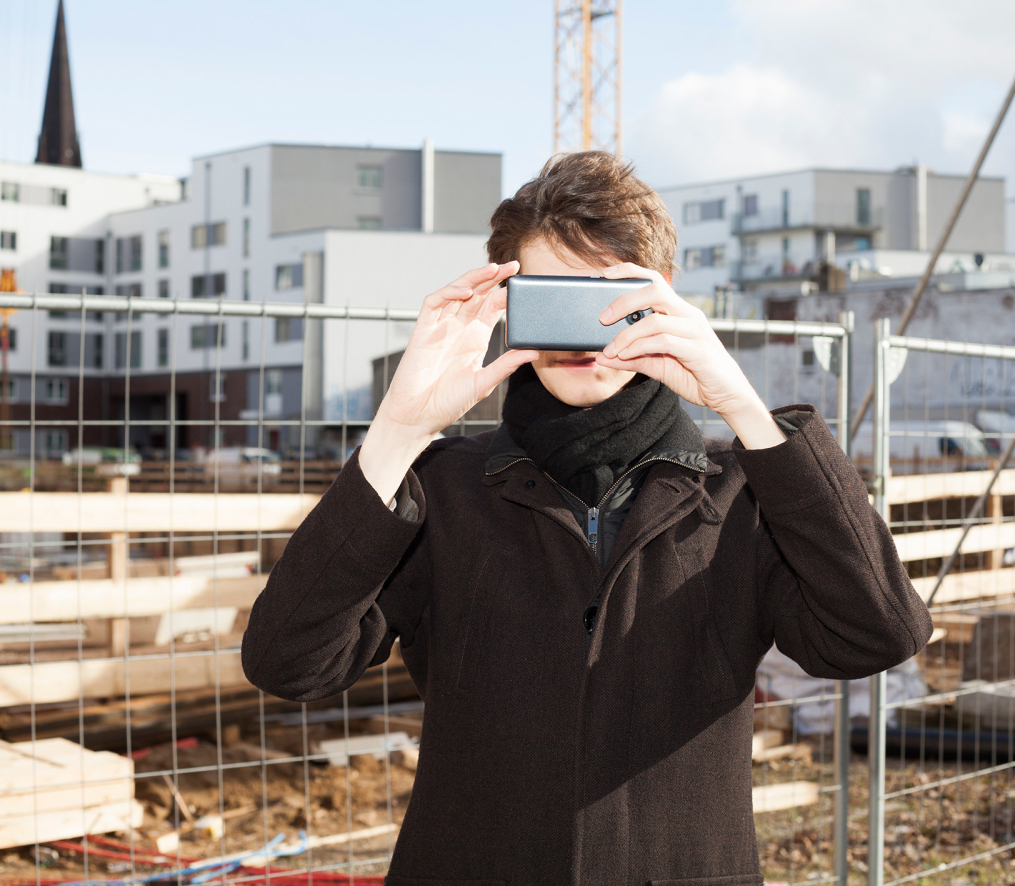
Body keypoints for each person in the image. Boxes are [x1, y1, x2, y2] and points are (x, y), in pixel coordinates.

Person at [242, 151, 933, 885]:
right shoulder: (441, 491)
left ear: (664, 298)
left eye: (609, 295)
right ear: (506, 304)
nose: (581, 332)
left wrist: (741, 405)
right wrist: (396, 433)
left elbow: (877, 633)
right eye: (553, 296)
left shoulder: (741, 494)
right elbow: (289, 664)